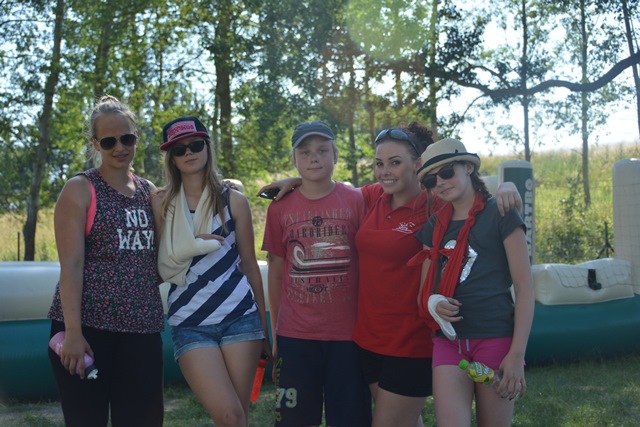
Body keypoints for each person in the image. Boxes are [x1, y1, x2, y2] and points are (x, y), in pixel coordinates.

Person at [259, 122, 522, 427]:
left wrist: (507, 187)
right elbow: (328, 190)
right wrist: (297, 180)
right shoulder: (373, 197)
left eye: (395, 163)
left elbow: (467, 192)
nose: (385, 171)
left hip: (412, 342)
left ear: (417, 164)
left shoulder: (435, 204)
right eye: (379, 164)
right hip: (368, 342)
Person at [47, 95, 164, 426]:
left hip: (142, 330)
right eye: (109, 141)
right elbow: (71, 265)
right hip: (88, 331)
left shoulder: (149, 192)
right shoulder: (80, 189)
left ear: (136, 137)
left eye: (127, 138)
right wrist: (73, 333)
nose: (120, 148)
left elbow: (166, 254)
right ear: (95, 143)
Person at [152, 116, 270, 427]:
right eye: (179, 149)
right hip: (190, 322)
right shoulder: (162, 203)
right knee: (228, 414)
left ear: (207, 147)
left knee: (238, 416)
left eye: (195, 145)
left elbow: (249, 264)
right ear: (171, 158)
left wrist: (263, 323)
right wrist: (192, 246)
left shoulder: (234, 201)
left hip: (239, 317)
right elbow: (159, 268)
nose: (189, 153)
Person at [412, 137, 534, 427]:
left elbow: (525, 288)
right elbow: (424, 294)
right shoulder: (433, 227)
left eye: (447, 172)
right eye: (431, 180)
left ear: (468, 167)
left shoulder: (500, 212)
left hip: (495, 339)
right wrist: (434, 304)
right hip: (449, 343)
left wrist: (516, 355)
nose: (440, 182)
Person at [262, 120, 372, 427]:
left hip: (349, 336)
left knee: (351, 420)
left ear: (335, 155)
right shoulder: (279, 207)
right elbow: (276, 272)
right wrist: (277, 331)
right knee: (294, 420)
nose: (314, 158)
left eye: (323, 150)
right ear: (294, 159)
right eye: (305, 152)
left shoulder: (357, 200)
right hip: (296, 337)